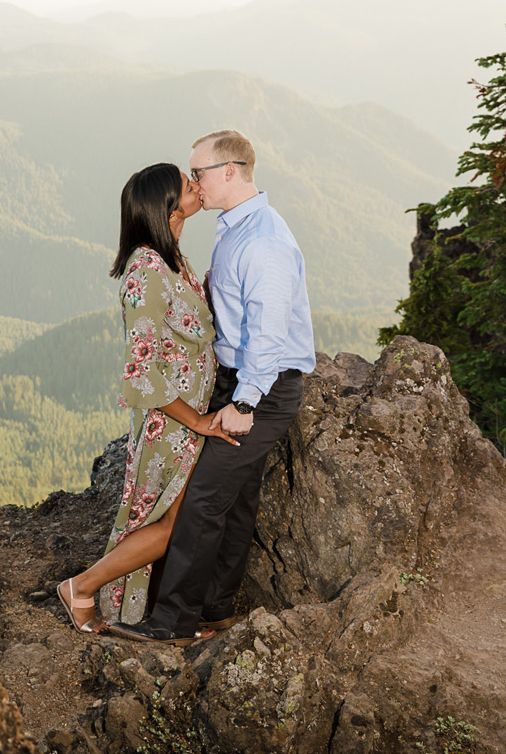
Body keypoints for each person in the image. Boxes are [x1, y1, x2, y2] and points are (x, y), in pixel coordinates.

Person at [126, 129, 316, 646]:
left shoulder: (264, 242)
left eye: (199, 173)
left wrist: (245, 402)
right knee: (236, 498)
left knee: (204, 500)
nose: (193, 182)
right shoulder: (236, 227)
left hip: (263, 389)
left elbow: (271, 332)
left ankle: (172, 622)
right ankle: (215, 607)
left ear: (229, 171)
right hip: (240, 381)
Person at [57, 162, 238, 635]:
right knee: (172, 523)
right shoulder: (146, 271)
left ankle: (147, 606)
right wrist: (197, 421)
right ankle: (81, 586)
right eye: (186, 184)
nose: (196, 186)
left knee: (175, 519)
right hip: (170, 426)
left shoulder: (173, 257)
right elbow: (140, 372)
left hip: (185, 418)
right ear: (168, 205)